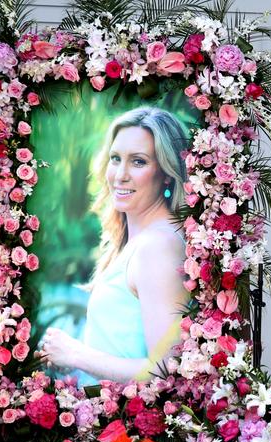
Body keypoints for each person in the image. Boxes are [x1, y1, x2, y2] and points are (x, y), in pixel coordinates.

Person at [36, 107, 189, 385]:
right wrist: (70, 362)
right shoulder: (139, 240)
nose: (120, 174)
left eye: (139, 162)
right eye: (115, 158)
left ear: (167, 173)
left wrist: (76, 354)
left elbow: (166, 370)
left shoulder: (158, 246)